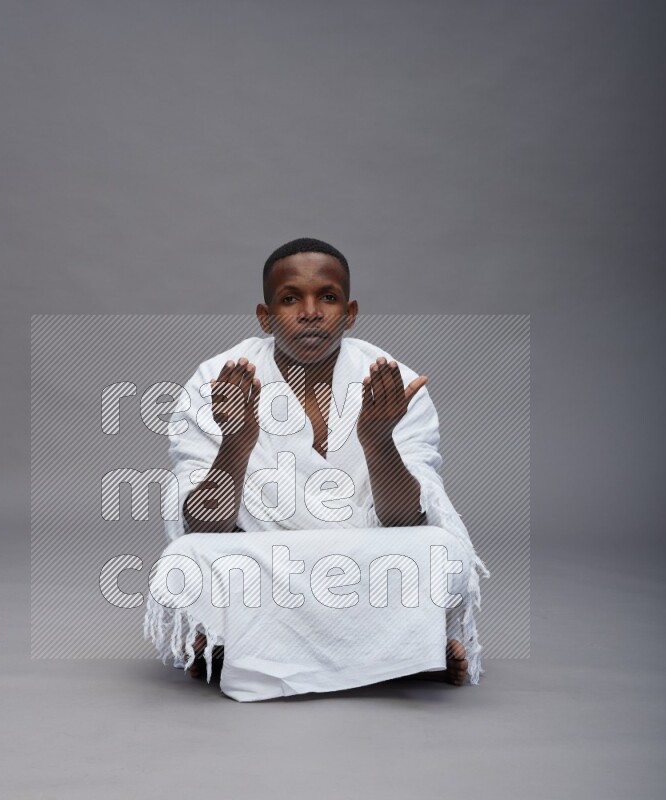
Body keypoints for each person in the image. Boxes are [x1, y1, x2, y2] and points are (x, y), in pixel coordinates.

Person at [144, 237, 489, 702]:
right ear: (265, 317)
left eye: (327, 297)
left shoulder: (395, 382)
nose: (311, 311)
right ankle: (402, 657)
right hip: (265, 561)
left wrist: (378, 438)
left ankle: (241, 651)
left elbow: (407, 521)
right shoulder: (215, 380)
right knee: (192, 558)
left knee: (437, 549)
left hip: (365, 559)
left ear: (350, 312)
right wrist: (237, 442)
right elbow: (201, 524)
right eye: (290, 299)